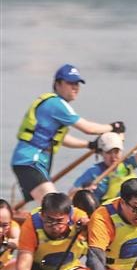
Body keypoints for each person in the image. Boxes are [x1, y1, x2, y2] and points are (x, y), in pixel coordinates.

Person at [11, 64, 125, 213]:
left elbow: (62, 139)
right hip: (29, 161)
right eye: (70, 83)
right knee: (56, 207)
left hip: (33, 161)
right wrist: (112, 127)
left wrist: (89, 145)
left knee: (47, 207)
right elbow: (88, 128)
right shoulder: (56, 104)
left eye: (77, 83)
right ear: (58, 84)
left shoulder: (55, 106)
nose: (75, 87)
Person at [16, 192, 89, 270]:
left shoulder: (79, 218)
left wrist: (88, 227)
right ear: (42, 215)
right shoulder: (31, 225)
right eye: (49, 220)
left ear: (69, 216)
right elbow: (23, 265)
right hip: (38, 269)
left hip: (70, 268)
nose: (55, 227)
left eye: (59, 221)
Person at [71, 120, 137, 202]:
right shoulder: (94, 172)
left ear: (121, 151)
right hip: (109, 210)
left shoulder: (128, 163)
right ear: (101, 153)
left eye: (116, 151)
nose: (113, 157)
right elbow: (71, 193)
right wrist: (84, 191)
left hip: (134, 206)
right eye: (109, 152)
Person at [0, 200, 21, 269]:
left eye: (4, 225)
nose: (0, 230)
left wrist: (5, 243)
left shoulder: (12, 227)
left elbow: (20, 241)